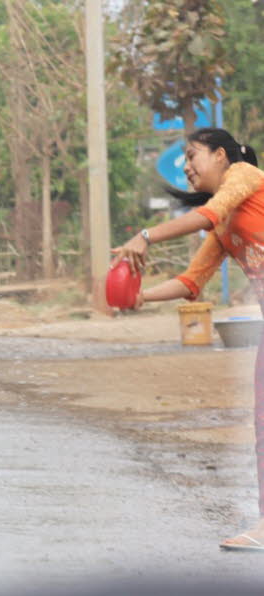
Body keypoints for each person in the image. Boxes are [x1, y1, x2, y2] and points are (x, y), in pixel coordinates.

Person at [112, 127, 263, 551]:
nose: (185, 166)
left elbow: (206, 214)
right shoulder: (222, 226)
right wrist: (139, 298)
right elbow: (190, 281)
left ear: (220, 155)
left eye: (192, 155)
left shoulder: (245, 176)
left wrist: (146, 235)